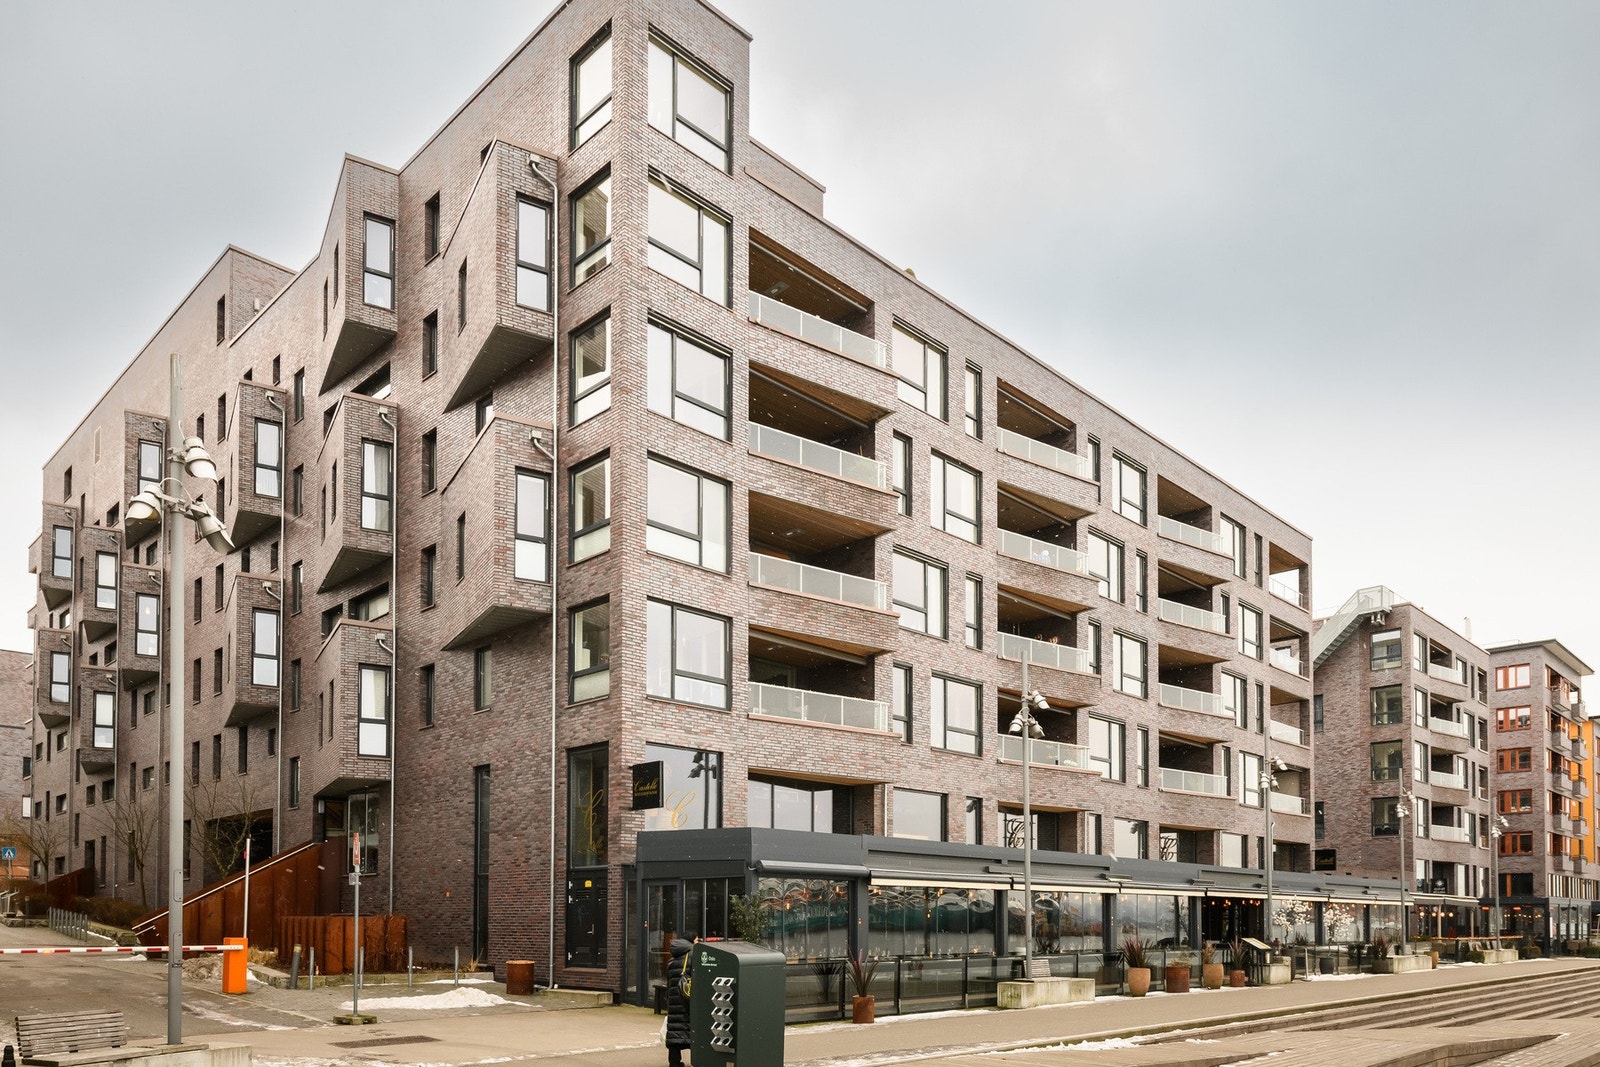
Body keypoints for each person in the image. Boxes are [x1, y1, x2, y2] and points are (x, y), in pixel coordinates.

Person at [664, 937, 693, 1066]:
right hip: (687, 1000)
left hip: (674, 999)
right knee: (692, 1030)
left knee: (674, 1030)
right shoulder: (693, 957)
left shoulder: (671, 960)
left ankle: (674, 1062)